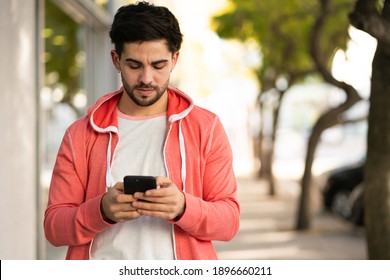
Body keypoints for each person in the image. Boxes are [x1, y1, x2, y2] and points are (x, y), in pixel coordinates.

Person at [44, 1, 240, 260]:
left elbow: (229, 222)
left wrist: (183, 206)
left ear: (174, 59)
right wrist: (101, 210)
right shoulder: (80, 134)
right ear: (116, 60)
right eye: (134, 65)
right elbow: (54, 228)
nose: (147, 78)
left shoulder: (207, 127)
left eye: (158, 66)